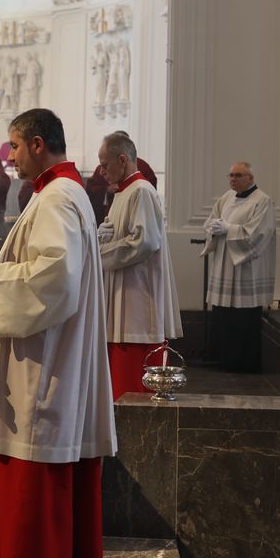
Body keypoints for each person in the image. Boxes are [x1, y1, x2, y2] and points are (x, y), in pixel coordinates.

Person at [0, 108, 116, 558]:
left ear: (38, 143)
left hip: (42, 362)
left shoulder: (57, 199)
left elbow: (54, 280)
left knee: (35, 472)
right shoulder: (58, 194)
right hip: (41, 355)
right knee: (27, 470)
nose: (8, 156)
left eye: (14, 146)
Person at [96, 134, 181, 398]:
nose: (101, 172)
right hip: (122, 300)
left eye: (105, 165)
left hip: (137, 305)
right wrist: (102, 236)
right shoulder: (124, 193)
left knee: (133, 386)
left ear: (123, 160)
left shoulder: (142, 191)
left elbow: (144, 242)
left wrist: (99, 252)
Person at [200, 161, 276, 372]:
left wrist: (229, 229)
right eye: (231, 175)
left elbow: (259, 234)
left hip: (245, 270)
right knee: (224, 316)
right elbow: (211, 221)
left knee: (243, 319)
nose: (233, 179)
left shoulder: (263, 201)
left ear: (250, 178)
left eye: (238, 175)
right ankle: (223, 359)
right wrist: (213, 229)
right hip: (224, 265)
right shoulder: (226, 197)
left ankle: (244, 363)